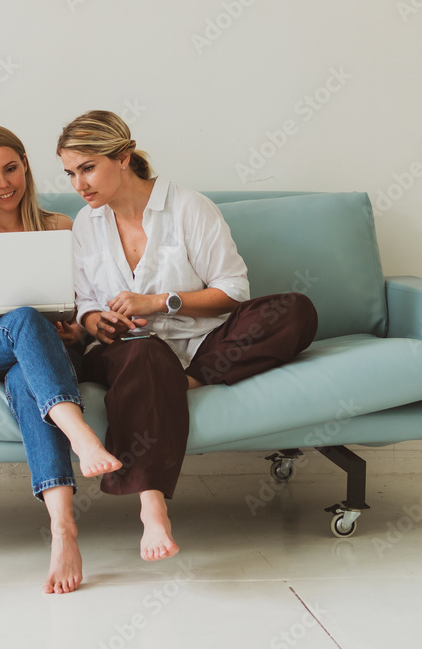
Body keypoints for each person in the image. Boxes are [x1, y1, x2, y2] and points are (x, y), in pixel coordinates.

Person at [56, 110, 318, 561]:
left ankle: (182, 383)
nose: (78, 184)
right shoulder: (86, 223)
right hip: (126, 350)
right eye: (69, 173)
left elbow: (233, 292)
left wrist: (159, 301)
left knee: (295, 310)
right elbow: (84, 305)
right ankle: (152, 507)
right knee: (145, 352)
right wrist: (96, 321)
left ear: (123, 157)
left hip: (202, 345)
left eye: (87, 168)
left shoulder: (188, 208)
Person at [0, 125, 122, 594]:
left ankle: (63, 528)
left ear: (25, 165)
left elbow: (84, 308)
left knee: (25, 379)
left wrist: (77, 330)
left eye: (10, 169)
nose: (3, 184)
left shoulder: (62, 226)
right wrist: (30, 317)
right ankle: (80, 434)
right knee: (21, 318)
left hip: (47, 353)